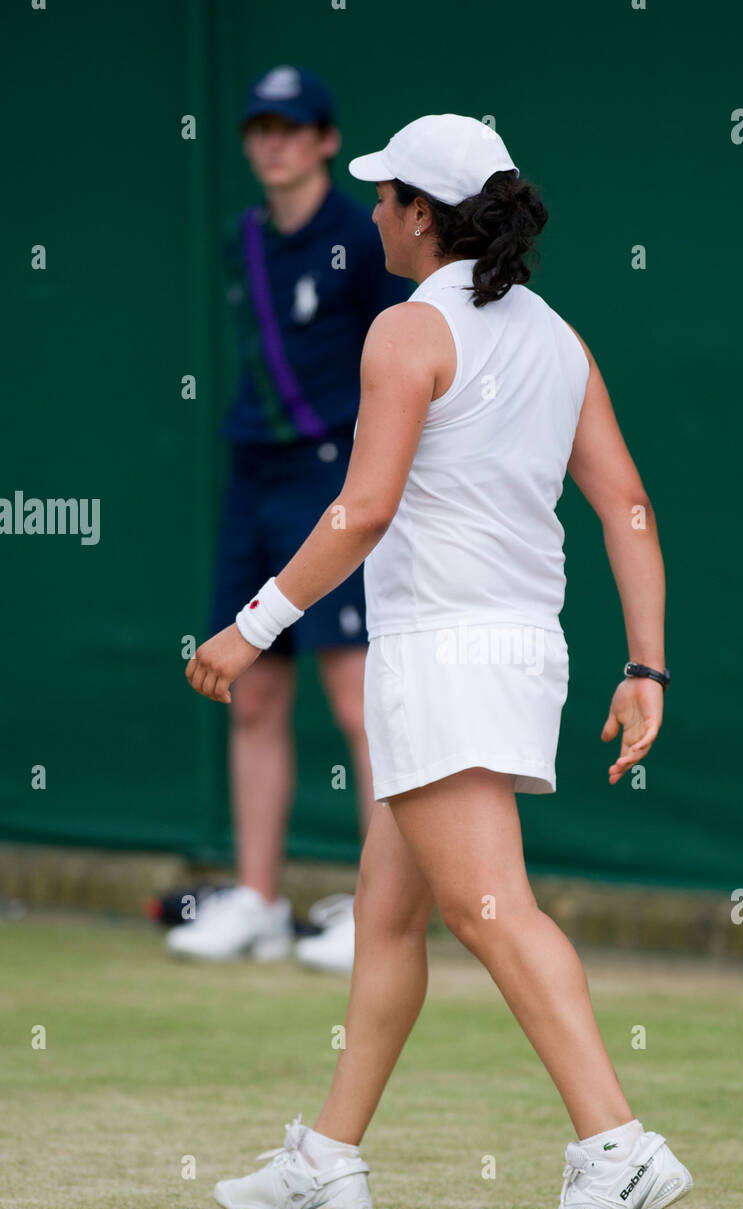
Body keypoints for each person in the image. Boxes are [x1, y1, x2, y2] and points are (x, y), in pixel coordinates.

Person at [185, 113, 693, 1209]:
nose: (370, 213)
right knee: (387, 912)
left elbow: (360, 510)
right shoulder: (559, 340)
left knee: (486, 905)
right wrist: (645, 662)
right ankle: (327, 1159)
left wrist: (251, 625)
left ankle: (615, 1143)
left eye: (385, 197)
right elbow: (627, 508)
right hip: (520, 651)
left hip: (444, 656)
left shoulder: (406, 334)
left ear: (425, 214)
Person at [167, 67, 407, 971]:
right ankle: (261, 902)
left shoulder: (361, 236)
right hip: (251, 478)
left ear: (325, 141)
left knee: (357, 700)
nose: (271, 142)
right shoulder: (246, 241)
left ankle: (377, 916)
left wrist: (370, 482)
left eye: (290, 127)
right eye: (258, 127)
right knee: (253, 691)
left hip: (335, 478)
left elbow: (397, 367)